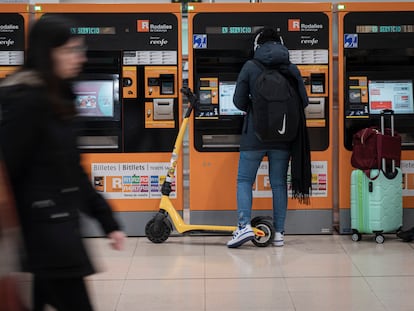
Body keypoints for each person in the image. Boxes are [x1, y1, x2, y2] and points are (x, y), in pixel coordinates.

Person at [0, 15, 126, 311]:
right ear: (48, 53)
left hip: (56, 229)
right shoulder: (28, 101)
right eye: (70, 50)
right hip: (42, 235)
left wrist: (106, 219)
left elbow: (72, 169)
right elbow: (7, 167)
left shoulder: (59, 97)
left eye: (79, 49)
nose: (79, 58)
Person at [227, 27, 311, 248]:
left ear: (256, 45)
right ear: (281, 44)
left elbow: (237, 102)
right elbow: (304, 101)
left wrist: (254, 107)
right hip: (283, 136)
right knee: (278, 184)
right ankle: (280, 233)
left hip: (254, 135)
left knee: (245, 181)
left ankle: (244, 226)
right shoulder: (291, 68)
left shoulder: (250, 66)